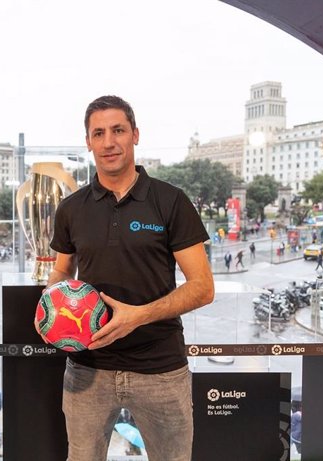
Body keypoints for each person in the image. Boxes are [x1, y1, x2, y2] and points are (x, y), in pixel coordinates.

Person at [43, 95, 214, 461]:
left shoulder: (171, 201)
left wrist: (138, 316)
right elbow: (62, 268)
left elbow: (202, 288)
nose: (108, 142)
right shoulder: (71, 208)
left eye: (118, 130)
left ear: (135, 135)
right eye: (99, 133)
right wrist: (51, 300)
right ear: (88, 141)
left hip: (161, 369)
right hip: (88, 370)